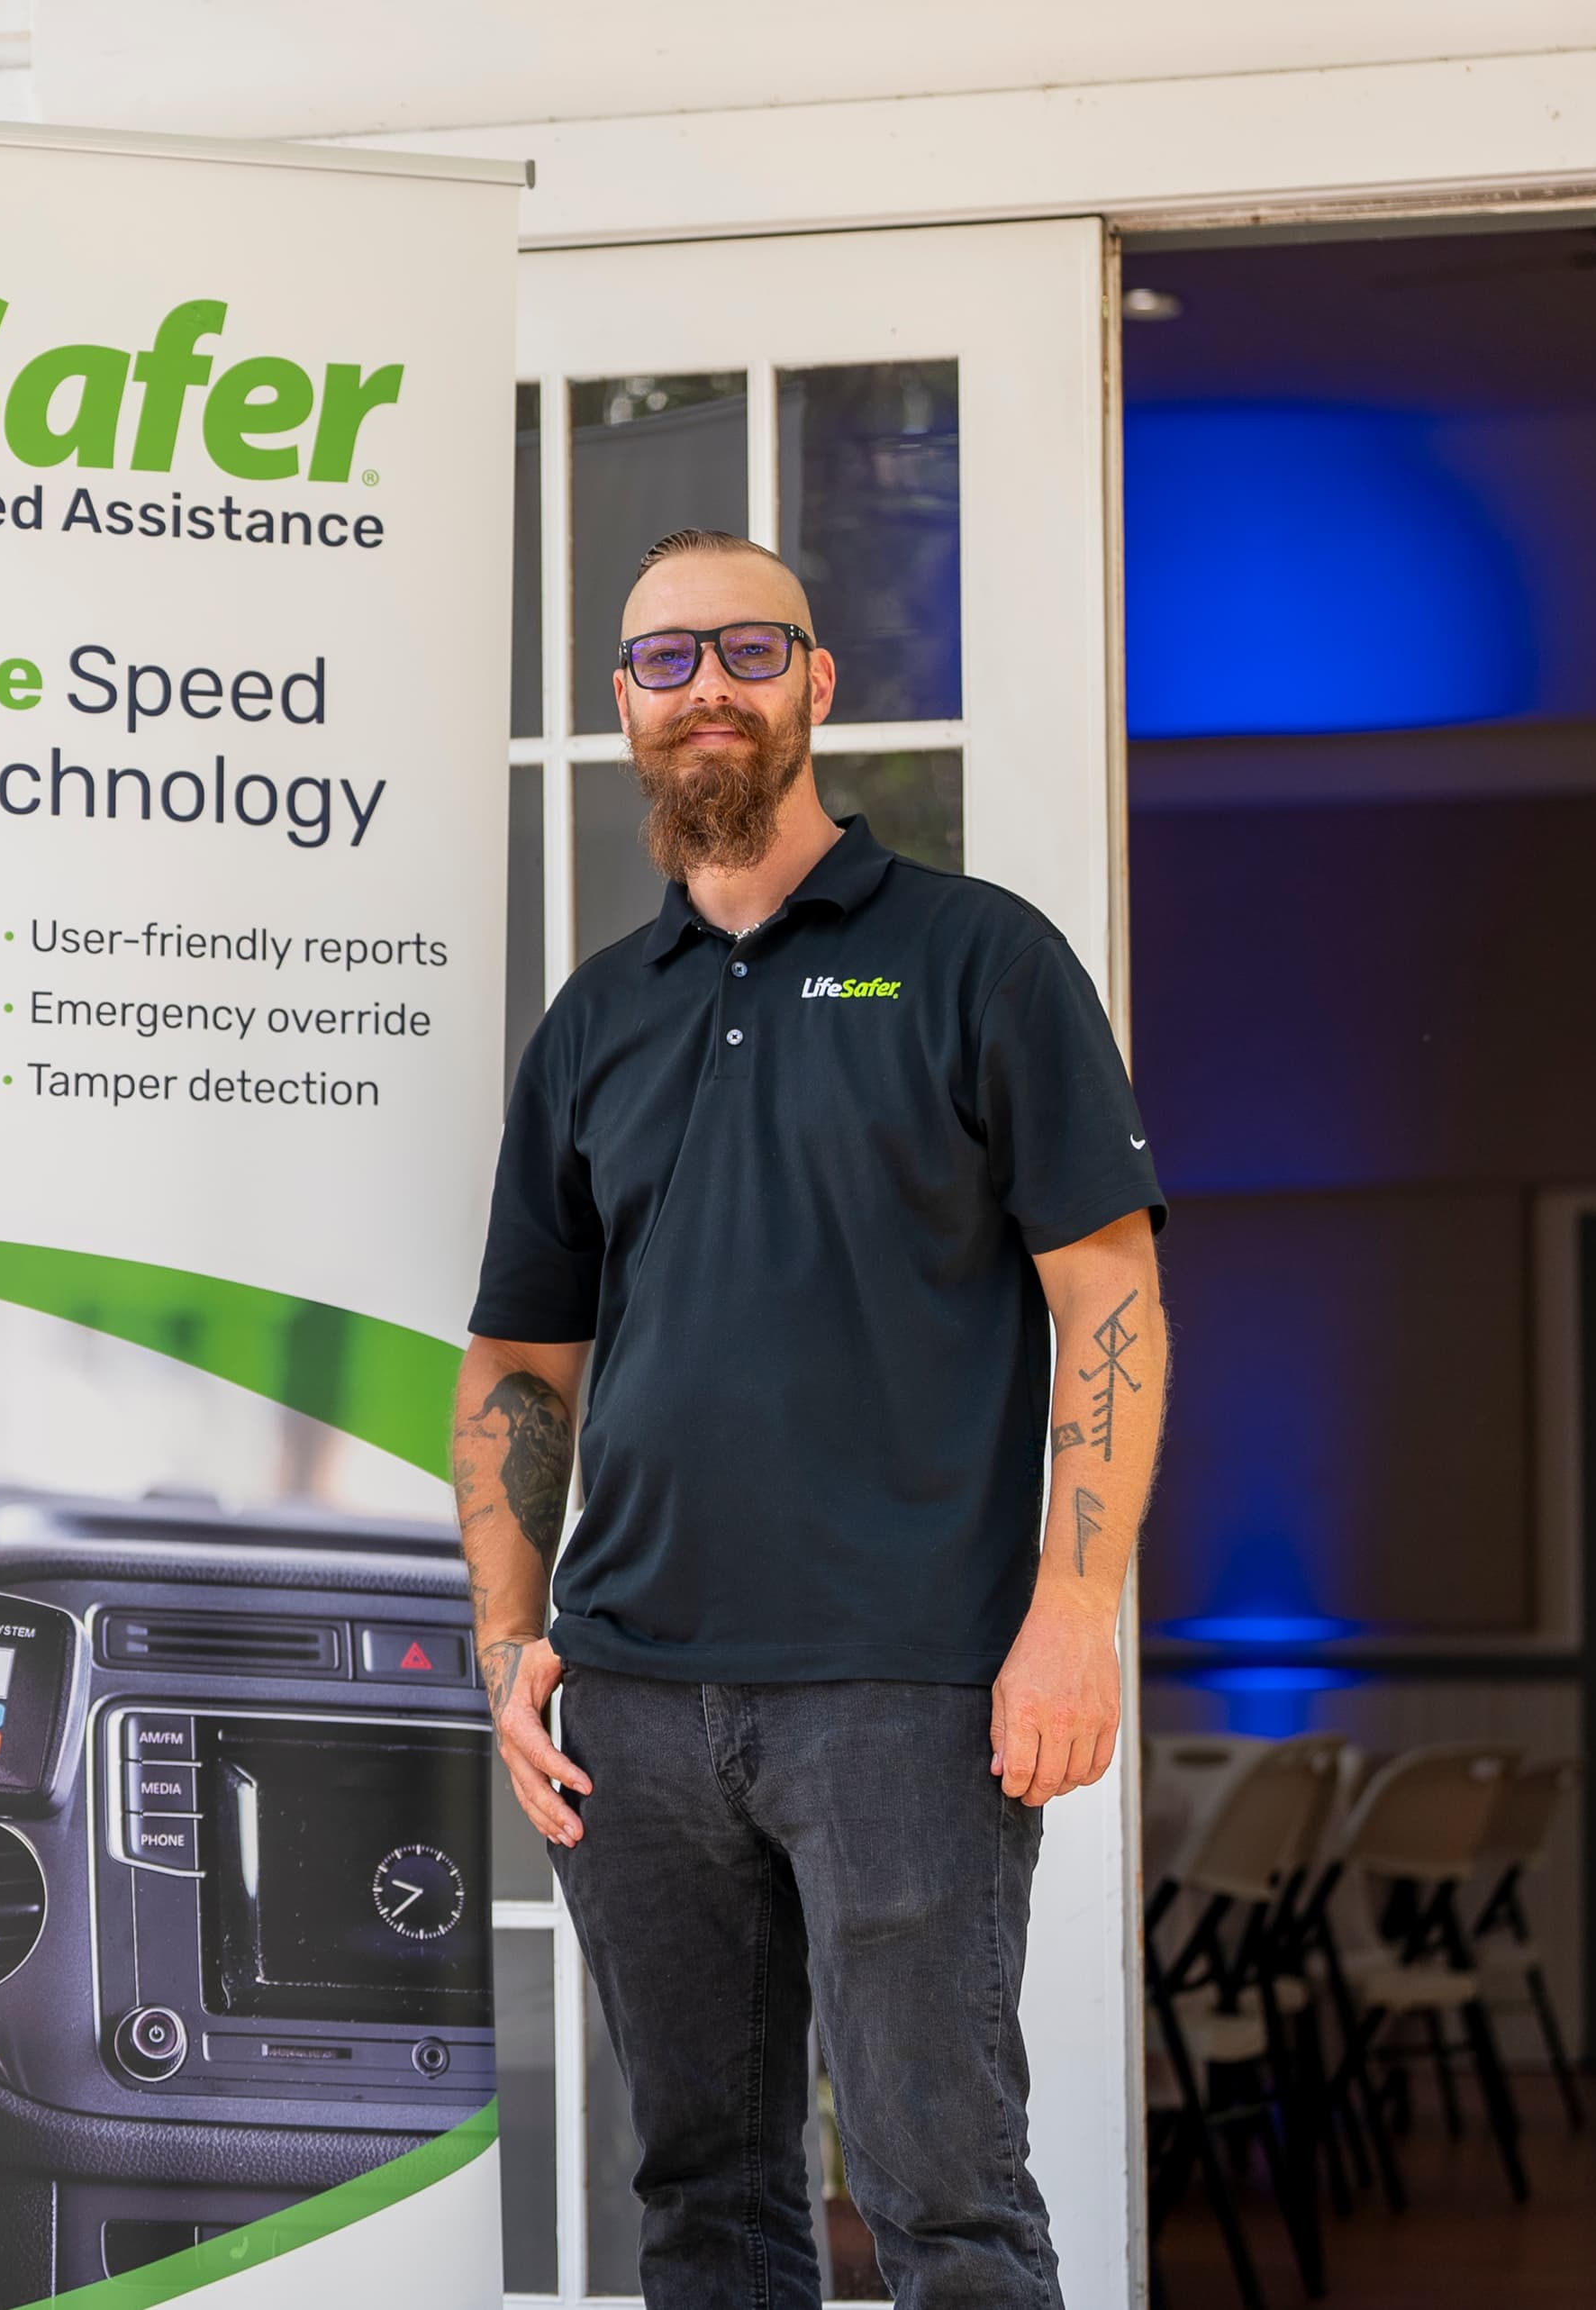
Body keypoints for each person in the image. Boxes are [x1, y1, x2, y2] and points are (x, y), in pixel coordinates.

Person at [454, 528, 1169, 2307]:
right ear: (623, 705)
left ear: (816, 684)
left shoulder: (981, 961)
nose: (707, 688)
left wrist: (1073, 1610)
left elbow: (1111, 1294)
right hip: (636, 1703)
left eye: (748, 651)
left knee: (947, 2199)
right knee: (705, 2195)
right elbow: (519, 1367)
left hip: (907, 1690)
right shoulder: (595, 1022)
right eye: (664, 661)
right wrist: (504, 1634)